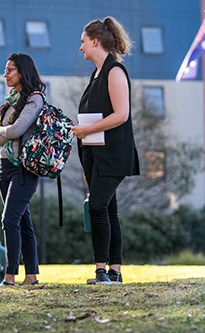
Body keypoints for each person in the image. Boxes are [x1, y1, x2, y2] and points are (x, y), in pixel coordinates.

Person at [71, 17, 140, 285]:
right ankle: (115, 272)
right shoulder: (96, 74)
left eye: (83, 42)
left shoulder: (115, 72)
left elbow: (121, 115)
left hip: (113, 154)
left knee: (97, 207)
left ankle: (101, 271)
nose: (81, 48)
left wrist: (87, 130)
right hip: (94, 154)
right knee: (109, 210)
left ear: (95, 41)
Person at [0, 53, 46, 286]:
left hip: (25, 167)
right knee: (22, 221)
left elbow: (17, 129)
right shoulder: (9, 101)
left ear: (22, 71)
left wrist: (4, 131)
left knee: (9, 219)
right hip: (4, 166)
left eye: (9, 70)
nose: (5, 75)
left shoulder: (35, 99)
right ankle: (31, 276)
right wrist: (7, 131)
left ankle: (9, 276)